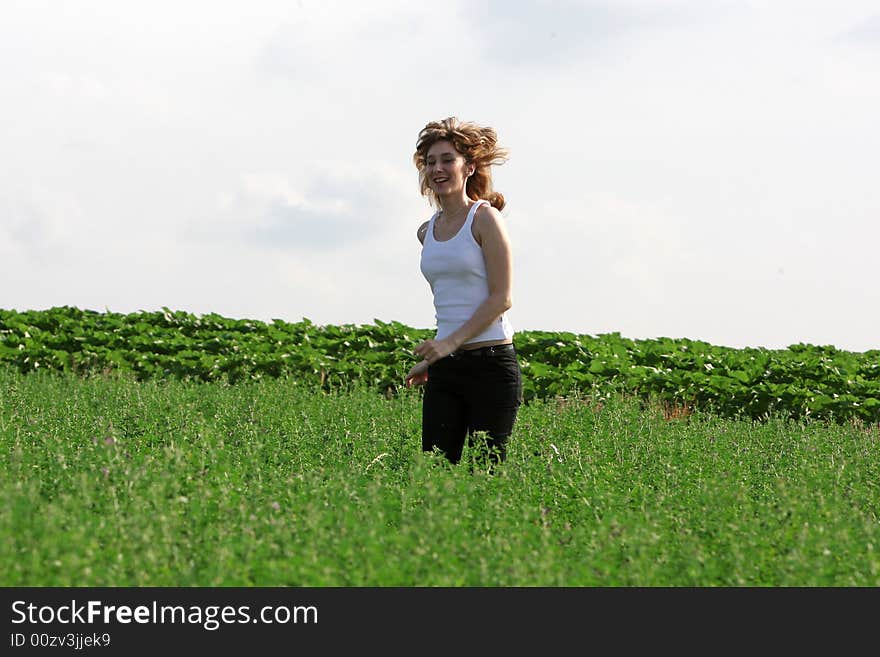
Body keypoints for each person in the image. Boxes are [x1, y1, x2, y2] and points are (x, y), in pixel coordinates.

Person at [404, 117, 523, 468]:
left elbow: (502, 298)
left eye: (447, 160)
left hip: (492, 367)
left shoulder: (485, 219)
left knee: (484, 475)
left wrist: (448, 343)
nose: (437, 169)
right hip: (446, 369)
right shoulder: (427, 232)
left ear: (469, 167)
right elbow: (454, 300)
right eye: (430, 162)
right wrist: (435, 357)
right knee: (436, 474)